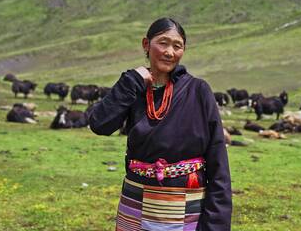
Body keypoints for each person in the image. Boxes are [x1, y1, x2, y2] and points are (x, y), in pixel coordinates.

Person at [88, 18, 232, 230]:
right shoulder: (133, 88)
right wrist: (130, 83)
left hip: (185, 205)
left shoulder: (198, 91)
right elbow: (100, 124)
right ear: (146, 44)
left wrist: (216, 222)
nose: (169, 52)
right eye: (163, 43)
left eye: (177, 46)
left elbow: (218, 158)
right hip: (135, 201)